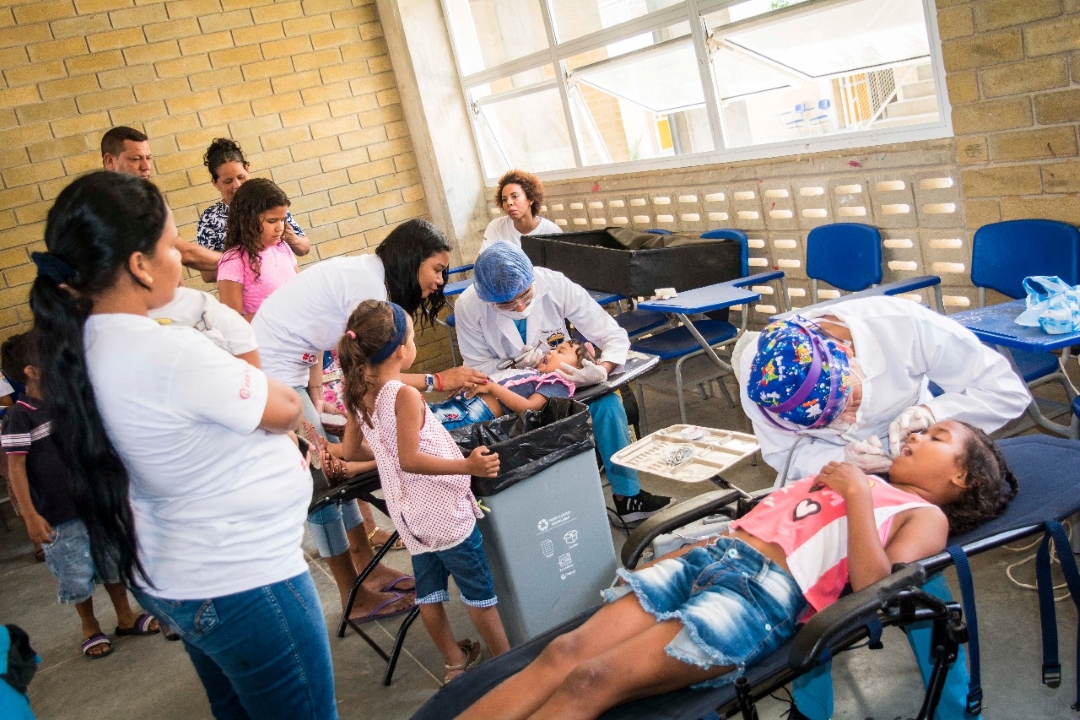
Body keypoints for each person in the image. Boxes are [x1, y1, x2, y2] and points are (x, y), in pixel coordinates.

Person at [459, 419, 1017, 719]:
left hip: (760, 595)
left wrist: (859, 497)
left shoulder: (921, 514)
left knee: (594, 679)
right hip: (712, 556)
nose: (916, 435)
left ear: (962, 479)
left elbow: (877, 590)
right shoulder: (865, 477)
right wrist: (691, 550)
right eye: (921, 430)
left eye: (937, 438)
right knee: (562, 654)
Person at [30, 171, 335, 717]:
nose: (187, 255)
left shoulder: (83, 344)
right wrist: (224, 319)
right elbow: (284, 407)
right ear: (140, 265)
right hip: (243, 580)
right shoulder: (167, 351)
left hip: (178, 571)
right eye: (173, 244)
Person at [736, 303, 1031, 720]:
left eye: (851, 403)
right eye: (829, 420)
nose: (847, 421)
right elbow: (784, 455)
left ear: (849, 355)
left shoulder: (905, 328)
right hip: (835, 488)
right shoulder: (764, 372)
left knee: (920, 591)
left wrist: (931, 416)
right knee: (809, 598)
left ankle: (954, 708)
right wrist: (842, 455)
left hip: (907, 484)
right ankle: (809, 710)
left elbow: (1006, 391)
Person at [251, 218, 486, 622]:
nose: (440, 280)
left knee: (339, 469)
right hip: (273, 372)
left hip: (293, 367)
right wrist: (438, 379)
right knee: (321, 476)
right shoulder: (369, 289)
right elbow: (374, 374)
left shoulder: (371, 279)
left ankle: (367, 569)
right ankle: (351, 592)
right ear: (412, 259)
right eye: (436, 269)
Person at [338, 300, 510, 684]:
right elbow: (410, 459)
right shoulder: (404, 395)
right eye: (413, 336)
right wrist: (468, 465)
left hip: (409, 517)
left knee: (429, 594)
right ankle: (507, 664)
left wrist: (382, 449)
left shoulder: (358, 391)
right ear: (401, 350)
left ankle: (453, 661)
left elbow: (352, 452)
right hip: (443, 514)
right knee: (478, 593)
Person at [454, 241, 674, 524]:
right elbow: (477, 368)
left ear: (531, 277)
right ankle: (547, 513)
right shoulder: (469, 306)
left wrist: (599, 371)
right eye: (507, 303)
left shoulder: (554, 284)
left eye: (525, 295)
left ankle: (628, 497)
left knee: (607, 403)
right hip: (510, 392)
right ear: (488, 299)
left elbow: (612, 335)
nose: (520, 306)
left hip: (564, 386)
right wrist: (522, 367)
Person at [0, 331, 161, 659]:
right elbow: (15, 469)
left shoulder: (71, 400)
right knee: (75, 572)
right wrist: (30, 515)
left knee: (113, 561)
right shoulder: (21, 415)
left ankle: (125, 616)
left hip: (98, 502)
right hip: (59, 513)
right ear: (31, 371)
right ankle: (90, 626)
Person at [100, 127, 220, 275]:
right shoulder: (104, 204)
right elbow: (183, 252)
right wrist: (242, 264)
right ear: (110, 160)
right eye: (135, 159)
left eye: (148, 158)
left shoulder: (142, 197)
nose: (146, 166)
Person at [195, 138, 309, 282]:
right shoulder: (210, 218)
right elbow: (207, 275)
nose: (236, 185)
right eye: (228, 181)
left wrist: (292, 238)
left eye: (241, 177)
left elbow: (304, 249)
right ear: (215, 183)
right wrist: (247, 253)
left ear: (247, 169)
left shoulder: (268, 201)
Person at [430, 340, 597, 430]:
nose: (551, 351)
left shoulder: (559, 383)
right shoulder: (535, 373)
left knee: (427, 429)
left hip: (473, 412)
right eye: (554, 348)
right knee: (422, 419)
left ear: (573, 371)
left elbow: (531, 408)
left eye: (560, 352)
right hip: (462, 403)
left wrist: (491, 387)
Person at [216, 178, 299, 321]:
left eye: (283, 219)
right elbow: (232, 322)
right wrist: (275, 314)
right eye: (271, 221)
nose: (280, 228)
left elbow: (301, 290)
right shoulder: (234, 260)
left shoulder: (282, 247)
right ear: (248, 219)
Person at [479, 169, 562, 253]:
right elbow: (482, 263)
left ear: (530, 198)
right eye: (504, 199)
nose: (509, 203)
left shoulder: (551, 231)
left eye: (515, 196)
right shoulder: (496, 227)